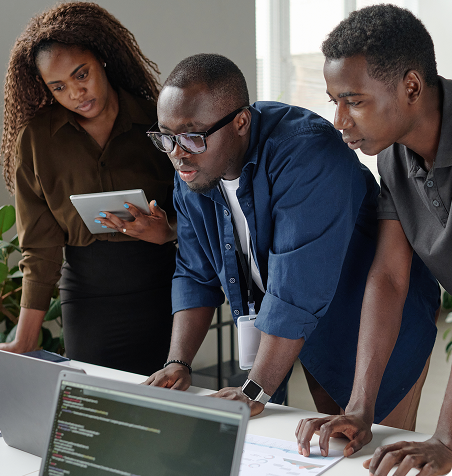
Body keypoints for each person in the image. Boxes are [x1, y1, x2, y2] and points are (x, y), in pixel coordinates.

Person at [142, 53, 439, 426]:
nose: (177, 153)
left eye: (191, 137)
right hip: (311, 334)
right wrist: (178, 361)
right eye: (165, 138)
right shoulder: (195, 167)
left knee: (373, 456)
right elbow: (193, 271)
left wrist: (253, 390)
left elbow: (296, 289)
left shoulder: (307, 152)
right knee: (335, 444)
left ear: (240, 122)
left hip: (374, 325)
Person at [295, 4, 452, 476]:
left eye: (355, 101)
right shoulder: (392, 158)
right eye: (334, 102)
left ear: (411, 87)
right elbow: (387, 277)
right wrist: (360, 408)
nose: (340, 120)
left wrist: (445, 438)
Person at [0, 1, 177, 375]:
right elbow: (41, 247)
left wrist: (169, 230)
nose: (76, 93)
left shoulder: (159, 120)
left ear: (103, 60)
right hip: (87, 298)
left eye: (82, 74)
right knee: (92, 407)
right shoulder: (36, 141)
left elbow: (207, 208)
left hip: (163, 291)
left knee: (161, 410)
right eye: (59, 87)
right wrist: (24, 338)